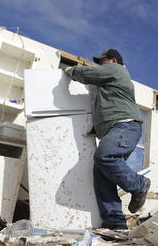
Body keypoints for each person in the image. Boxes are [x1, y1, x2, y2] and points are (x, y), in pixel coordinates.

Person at [63, 49, 150, 230]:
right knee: (101, 175)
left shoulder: (117, 70)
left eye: (102, 61)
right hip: (116, 128)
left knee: (105, 156)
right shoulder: (109, 85)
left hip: (125, 125)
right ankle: (114, 221)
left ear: (112, 60)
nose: (99, 64)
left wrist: (70, 71)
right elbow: (105, 108)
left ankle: (139, 185)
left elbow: (91, 73)